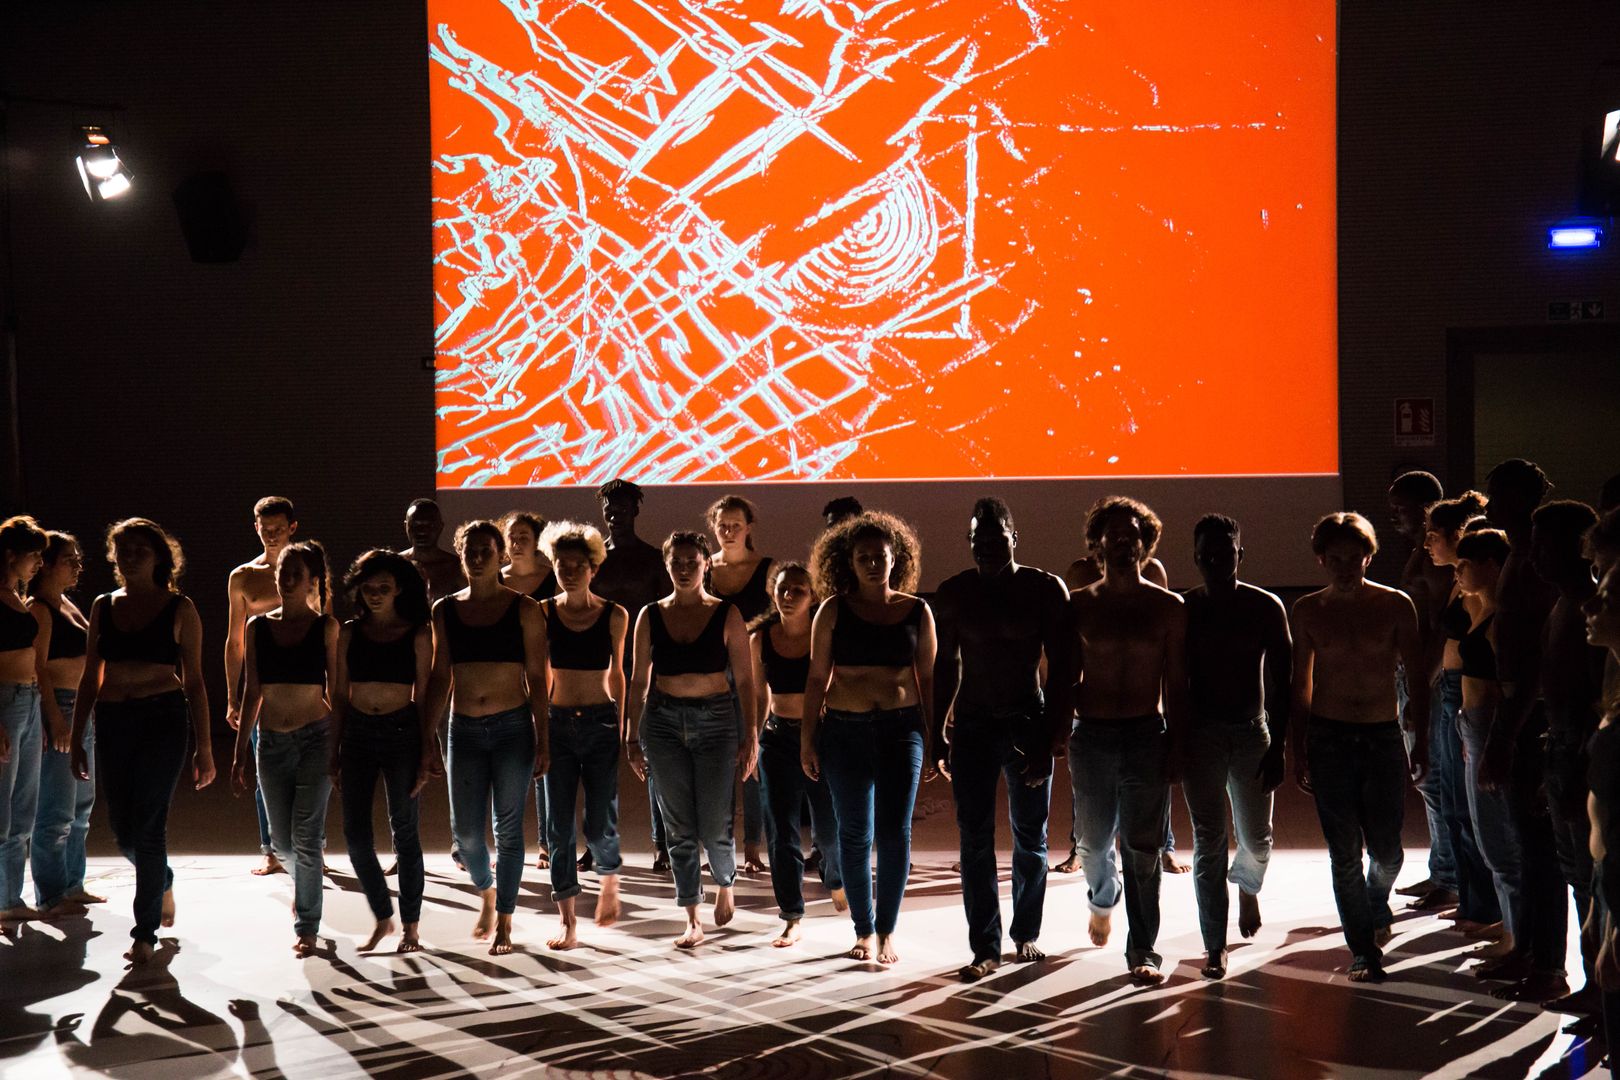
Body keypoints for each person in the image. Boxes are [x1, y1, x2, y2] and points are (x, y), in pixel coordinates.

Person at [933, 498, 1071, 980]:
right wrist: (937, 731)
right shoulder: (954, 593)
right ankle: (985, 947)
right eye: (980, 540)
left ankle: (1026, 932)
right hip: (973, 725)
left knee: (1030, 836)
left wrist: (1052, 735)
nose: (989, 548)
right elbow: (945, 666)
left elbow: (1065, 668)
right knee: (974, 839)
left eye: (998, 539)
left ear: (1015, 539)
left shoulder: (1044, 589)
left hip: (1026, 722)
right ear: (969, 542)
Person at [1291, 511, 1427, 984]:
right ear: (1321, 560)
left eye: (1354, 558)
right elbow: (1301, 683)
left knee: (1388, 852)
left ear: (1369, 557)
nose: (1346, 568)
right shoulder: (1308, 610)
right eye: (1336, 559)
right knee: (1344, 851)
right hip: (1329, 738)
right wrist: (1298, 746)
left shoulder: (1395, 605)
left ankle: (1375, 900)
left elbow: (1417, 676)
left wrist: (1422, 740)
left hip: (1381, 735)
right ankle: (1363, 949)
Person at [71, 519, 215, 963]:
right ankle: (162, 879)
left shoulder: (180, 608)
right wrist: (77, 737)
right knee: (122, 831)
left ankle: (144, 933)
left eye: (140, 549)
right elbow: (91, 677)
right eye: (124, 549)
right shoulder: (103, 605)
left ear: (159, 557)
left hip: (162, 720)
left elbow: (195, 682)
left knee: (150, 826)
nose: (131, 556)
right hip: (114, 720)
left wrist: (206, 747)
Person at [802, 511, 936, 966]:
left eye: (881, 556)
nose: (874, 564)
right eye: (864, 557)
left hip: (902, 732)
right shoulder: (832, 610)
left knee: (895, 834)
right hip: (844, 731)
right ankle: (863, 928)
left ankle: (887, 932)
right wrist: (807, 739)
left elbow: (928, 679)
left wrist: (935, 738)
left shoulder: (917, 610)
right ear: (850, 562)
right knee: (855, 834)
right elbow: (816, 678)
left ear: (896, 558)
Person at [1066, 497, 1187, 986]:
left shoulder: (1167, 607)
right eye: (1113, 534)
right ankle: (1102, 899)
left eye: (1132, 534)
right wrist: (1055, 731)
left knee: (1143, 848)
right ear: (1097, 544)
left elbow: (1176, 684)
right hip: (1092, 735)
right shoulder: (1079, 605)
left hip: (1145, 734)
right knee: (1093, 843)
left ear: (1145, 543)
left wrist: (1177, 742)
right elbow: (1062, 677)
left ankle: (1143, 950)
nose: (1122, 541)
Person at [625, 530, 756, 948]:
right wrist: (631, 737)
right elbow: (638, 680)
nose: (684, 569)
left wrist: (751, 734)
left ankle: (725, 880)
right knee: (678, 827)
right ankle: (692, 918)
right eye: (676, 562)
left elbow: (746, 680)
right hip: (663, 723)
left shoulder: (726, 613)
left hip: (716, 722)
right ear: (667, 565)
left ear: (706, 564)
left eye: (692, 561)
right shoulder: (650, 615)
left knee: (715, 825)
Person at [423, 520, 548, 956]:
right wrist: (426, 737)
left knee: (508, 831)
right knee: (466, 836)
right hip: (464, 730)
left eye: (485, 551)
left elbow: (537, 677)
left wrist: (544, 738)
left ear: (501, 556)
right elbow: (440, 676)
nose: (477, 558)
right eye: (470, 551)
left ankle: (506, 920)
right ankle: (487, 890)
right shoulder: (445, 609)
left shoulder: (525, 608)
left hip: (513, 728)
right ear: (461, 556)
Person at [1181, 514, 1292, 979]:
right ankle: (1214, 944)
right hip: (1201, 736)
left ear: (1239, 555)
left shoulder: (1265, 607)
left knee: (1257, 841)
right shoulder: (1185, 608)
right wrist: (1177, 739)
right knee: (1208, 842)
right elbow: (1173, 681)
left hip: (1250, 733)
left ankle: (1247, 887)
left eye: (1224, 553)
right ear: (1194, 557)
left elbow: (1283, 681)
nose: (1214, 561)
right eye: (1206, 554)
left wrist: (1279, 744)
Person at [232, 541, 338, 958]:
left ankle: (307, 924)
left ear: (312, 581)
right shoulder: (257, 627)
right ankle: (304, 887)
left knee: (307, 839)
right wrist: (239, 753)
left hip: (316, 737)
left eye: (297, 573)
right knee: (282, 844)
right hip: (272, 742)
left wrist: (341, 747)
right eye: (283, 572)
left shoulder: (326, 627)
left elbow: (337, 692)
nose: (288, 579)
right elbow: (252, 692)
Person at [1057, 547, 1186, 876]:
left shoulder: (1152, 571)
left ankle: (1166, 846)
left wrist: (1174, 729)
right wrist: (1064, 715)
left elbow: (1158, 636)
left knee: (1152, 794)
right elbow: (1070, 652)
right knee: (1088, 796)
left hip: (1145, 710)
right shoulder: (1080, 574)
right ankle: (1080, 848)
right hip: (1093, 713)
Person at [330, 550, 434, 954]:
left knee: (404, 830)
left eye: (384, 588)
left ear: (399, 590)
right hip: (357, 732)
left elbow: (424, 697)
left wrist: (427, 750)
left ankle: (411, 927)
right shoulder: (350, 632)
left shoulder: (417, 633)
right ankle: (381, 915)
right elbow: (339, 695)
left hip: (401, 732)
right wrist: (333, 749)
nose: (374, 595)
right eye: (368, 588)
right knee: (355, 836)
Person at [1525, 500, 1605, 1009]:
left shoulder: (1591, 610)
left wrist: (1578, 767)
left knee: (1591, 881)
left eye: (1544, 547)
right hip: (1562, 749)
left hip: (1579, 753)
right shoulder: (1562, 605)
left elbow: (1596, 699)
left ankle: (1601, 989)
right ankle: (1594, 986)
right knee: (1577, 875)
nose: (1534, 557)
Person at [536, 520, 627, 949]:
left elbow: (619, 674)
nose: (569, 572)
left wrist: (624, 726)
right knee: (558, 826)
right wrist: (539, 729)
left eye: (577, 565)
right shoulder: (542, 613)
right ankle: (568, 919)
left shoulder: (614, 614)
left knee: (600, 822)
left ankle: (609, 880)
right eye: (562, 565)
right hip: (557, 723)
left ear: (594, 568)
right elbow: (538, 675)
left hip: (600, 722)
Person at [750, 561, 846, 947]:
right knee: (781, 832)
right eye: (782, 589)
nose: (788, 596)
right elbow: (759, 695)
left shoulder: (824, 635)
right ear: (772, 592)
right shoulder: (761, 638)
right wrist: (753, 742)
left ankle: (835, 877)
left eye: (798, 590)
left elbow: (832, 687)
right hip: (776, 740)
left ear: (813, 596)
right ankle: (791, 915)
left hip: (820, 738)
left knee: (830, 828)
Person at [1422, 493, 1502, 936]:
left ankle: (1482, 904)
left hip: (1465, 691)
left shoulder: (1479, 590)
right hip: (1454, 689)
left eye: (1434, 536)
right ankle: (1470, 897)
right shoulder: (1460, 583)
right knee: (1454, 800)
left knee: (1466, 804)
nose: (1427, 545)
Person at [592, 478, 673, 873]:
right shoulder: (594, 559)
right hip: (601, 668)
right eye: (609, 509)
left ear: (635, 510)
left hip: (645, 669)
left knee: (652, 756)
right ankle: (599, 842)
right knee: (600, 760)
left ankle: (662, 845)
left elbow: (664, 616)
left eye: (622, 508)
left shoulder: (653, 559)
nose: (615, 515)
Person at [1388, 471, 1459, 908]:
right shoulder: (1422, 552)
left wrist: (1422, 687)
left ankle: (1449, 877)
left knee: (1431, 777)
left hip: (1426, 676)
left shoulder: (1436, 561)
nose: (1394, 516)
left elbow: (1441, 628)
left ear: (1422, 508)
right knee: (1427, 779)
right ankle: (1442, 871)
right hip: (1412, 673)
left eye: (1400, 508)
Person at [27, 531, 104, 914]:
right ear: (45, 565)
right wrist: (55, 719)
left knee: (81, 806)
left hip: (82, 710)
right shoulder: (40, 609)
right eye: (68, 560)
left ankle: (73, 883)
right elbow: (38, 667)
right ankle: (52, 893)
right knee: (56, 807)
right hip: (62, 706)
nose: (77, 566)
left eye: (78, 559)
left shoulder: (67, 604)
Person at [224, 496, 298, 878]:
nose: (271, 536)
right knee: (265, 773)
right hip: (261, 688)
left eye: (278, 529)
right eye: (265, 529)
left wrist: (330, 689)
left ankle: (309, 846)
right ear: (256, 527)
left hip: (302, 686)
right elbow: (235, 641)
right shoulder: (243, 577)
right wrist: (231, 696)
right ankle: (270, 849)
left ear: (292, 528)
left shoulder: (308, 571)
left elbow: (328, 629)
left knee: (306, 772)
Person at [705, 494, 774, 875]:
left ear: (749, 528)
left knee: (752, 756)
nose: (729, 531)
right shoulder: (705, 568)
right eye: (722, 526)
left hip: (754, 671)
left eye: (735, 525)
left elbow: (776, 621)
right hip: (714, 672)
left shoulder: (766, 568)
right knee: (718, 764)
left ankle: (752, 847)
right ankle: (721, 847)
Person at [500, 511, 557, 871]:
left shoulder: (552, 579)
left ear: (537, 541)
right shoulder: (495, 580)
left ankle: (546, 843)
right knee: (508, 763)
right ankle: (508, 842)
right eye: (512, 536)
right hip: (506, 675)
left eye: (524, 536)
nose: (517, 542)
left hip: (544, 672)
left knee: (543, 757)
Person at [1579, 562, 1620, 1053]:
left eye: (1606, 598)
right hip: (1609, 879)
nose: (1589, 604)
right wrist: (1597, 901)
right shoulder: (1615, 682)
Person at [0, 516, 47, 925]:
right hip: (6, 701)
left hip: (28, 699)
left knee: (23, 806)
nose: (38, 563)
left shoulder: (16, 595)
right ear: (10, 555)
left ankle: (10, 897)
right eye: (33, 555)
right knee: (3, 805)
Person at [401, 498, 468, 602]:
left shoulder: (457, 568)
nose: (422, 531)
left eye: (429, 525)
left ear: (440, 527)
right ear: (406, 526)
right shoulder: (394, 564)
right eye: (415, 525)